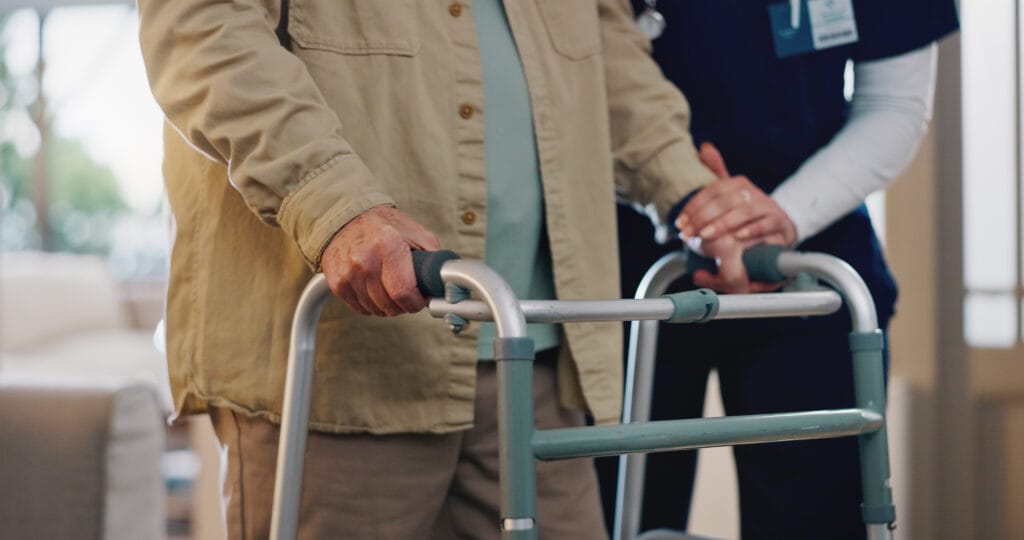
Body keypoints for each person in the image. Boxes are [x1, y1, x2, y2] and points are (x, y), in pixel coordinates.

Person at [136, 0, 748, 537]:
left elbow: (610, 54)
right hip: (339, 364)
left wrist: (698, 200)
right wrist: (332, 202)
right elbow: (204, 33)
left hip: (538, 355)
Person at [596, 1, 960, 539]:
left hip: (810, 265)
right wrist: (692, 202)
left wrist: (779, 219)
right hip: (625, 259)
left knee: (817, 519)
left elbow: (895, 103)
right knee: (614, 514)